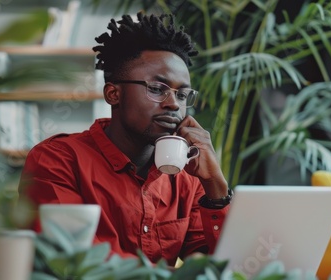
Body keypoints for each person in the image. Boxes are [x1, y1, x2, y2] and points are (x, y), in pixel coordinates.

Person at [19, 12, 232, 266]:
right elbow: (76, 261)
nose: (174, 104)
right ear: (113, 94)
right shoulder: (57, 161)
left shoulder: (188, 179)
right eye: (157, 89)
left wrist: (216, 186)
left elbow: (226, 264)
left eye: (183, 95)